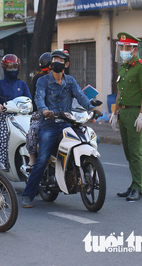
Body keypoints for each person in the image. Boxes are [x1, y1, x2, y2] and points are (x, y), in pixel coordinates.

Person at [21, 50, 100, 208]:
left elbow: (81, 96)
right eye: (55, 59)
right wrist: (44, 110)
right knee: (42, 159)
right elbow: (39, 97)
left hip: (67, 123)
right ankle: (28, 195)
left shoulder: (70, 81)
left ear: (67, 64)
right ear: (51, 63)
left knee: (91, 139)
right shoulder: (43, 80)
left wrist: (92, 108)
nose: (57, 62)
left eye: (60, 60)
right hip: (49, 125)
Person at [110, 32, 142, 202]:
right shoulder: (123, 67)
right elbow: (120, 91)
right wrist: (115, 112)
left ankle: (138, 188)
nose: (124, 50)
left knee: (135, 153)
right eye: (122, 47)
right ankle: (134, 184)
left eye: (127, 47)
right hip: (124, 112)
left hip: (135, 112)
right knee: (128, 152)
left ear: (135, 50)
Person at [0, 54, 31, 169]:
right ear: (4, 67)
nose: (12, 69)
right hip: (4, 117)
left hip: (22, 116)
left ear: (19, 67)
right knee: (0, 142)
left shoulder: (22, 84)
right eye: (9, 67)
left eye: (14, 66)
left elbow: (29, 99)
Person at [26, 52, 52, 169]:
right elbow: (38, 97)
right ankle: (32, 160)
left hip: (61, 114)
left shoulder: (64, 78)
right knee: (33, 131)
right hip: (40, 114)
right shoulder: (39, 78)